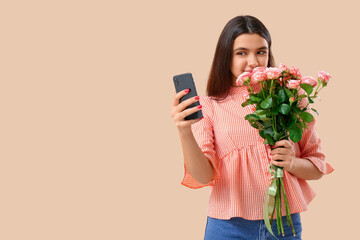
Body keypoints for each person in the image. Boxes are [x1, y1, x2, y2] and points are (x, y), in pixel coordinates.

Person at [170, 15, 334, 240]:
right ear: (225, 56)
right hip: (227, 227)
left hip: (284, 225)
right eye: (241, 52)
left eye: (261, 51)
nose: (253, 62)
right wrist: (184, 131)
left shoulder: (291, 100)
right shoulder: (211, 106)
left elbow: (317, 167)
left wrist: (292, 162)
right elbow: (202, 177)